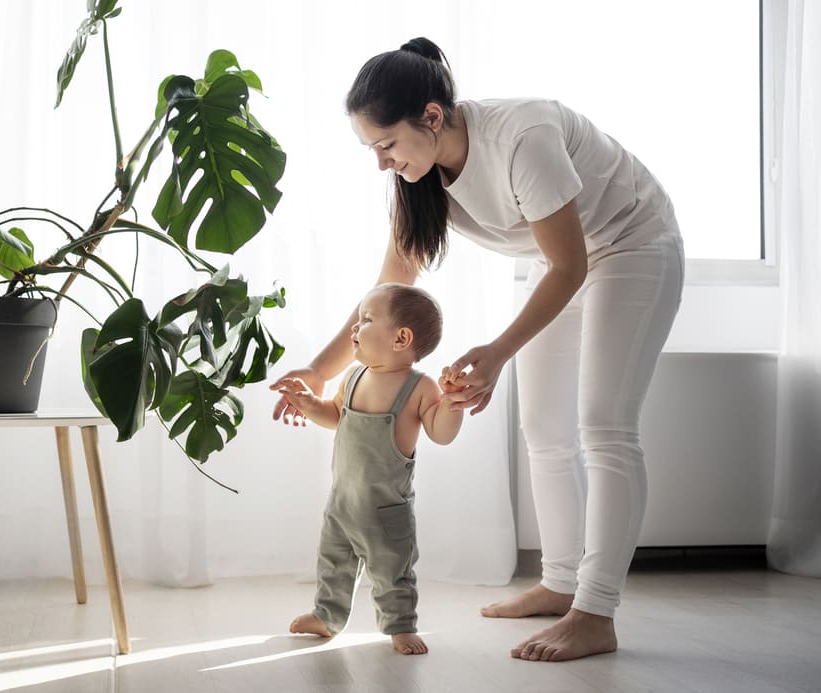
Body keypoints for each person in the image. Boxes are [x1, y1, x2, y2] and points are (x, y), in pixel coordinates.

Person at [270, 37, 684, 662]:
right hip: (554, 264)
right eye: (371, 149)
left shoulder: (523, 138)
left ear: (431, 117)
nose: (381, 162)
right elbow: (390, 286)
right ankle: (559, 582)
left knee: (604, 426)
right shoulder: (420, 175)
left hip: (630, 244)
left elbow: (571, 265)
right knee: (543, 429)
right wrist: (321, 372)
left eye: (386, 145)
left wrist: (497, 350)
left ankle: (595, 612)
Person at [276, 282, 463, 655]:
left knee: (392, 572)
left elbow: (441, 434)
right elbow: (336, 416)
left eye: (365, 319)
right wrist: (310, 403)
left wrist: (452, 405)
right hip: (342, 502)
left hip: (385, 510)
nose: (354, 329)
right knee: (333, 564)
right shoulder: (354, 376)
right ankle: (327, 617)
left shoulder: (420, 387)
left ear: (400, 338)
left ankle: (400, 626)